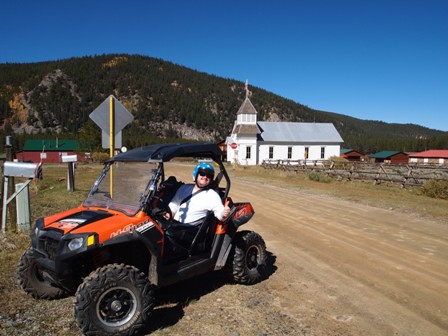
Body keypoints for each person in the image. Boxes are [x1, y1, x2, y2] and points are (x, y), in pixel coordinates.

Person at [165, 162, 231, 225]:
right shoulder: (184, 188)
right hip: (173, 226)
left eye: (208, 175)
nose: (205, 177)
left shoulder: (212, 195)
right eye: (202, 174)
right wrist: (168, 215)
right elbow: (174, 205)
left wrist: (224, 213)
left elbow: (219, 212)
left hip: (188, 231)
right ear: (196, 175)